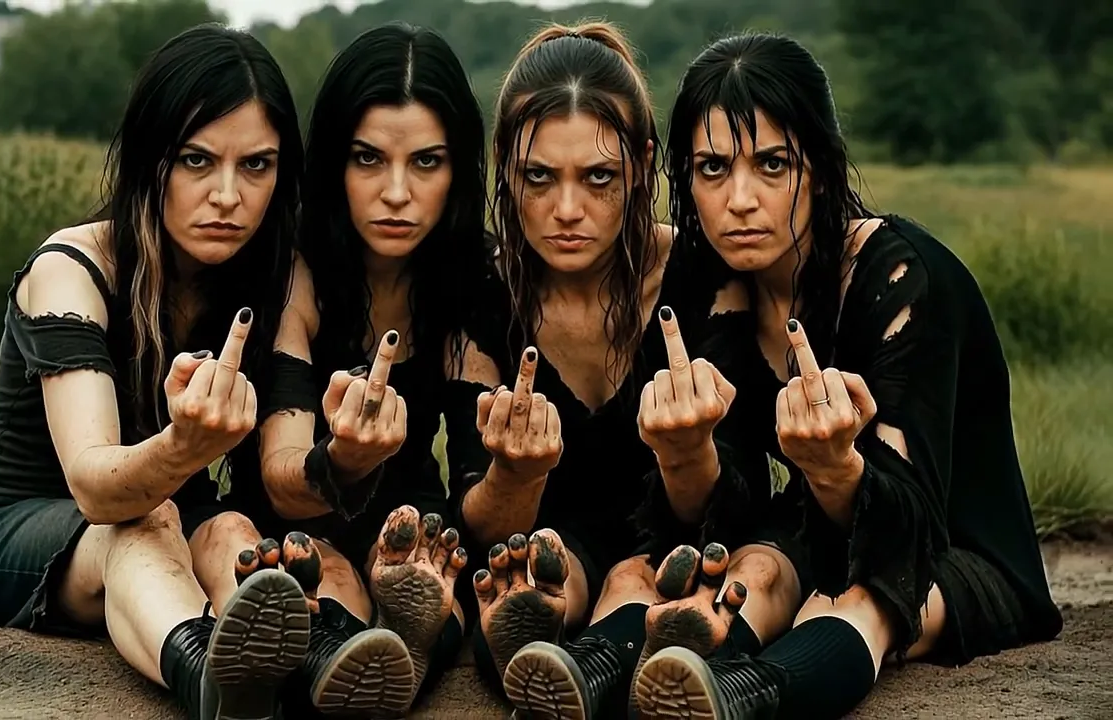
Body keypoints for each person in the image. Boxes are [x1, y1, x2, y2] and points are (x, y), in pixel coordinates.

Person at [628, 31, 1065, 719]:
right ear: (685, 177)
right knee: (750, 571)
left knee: (861, 598)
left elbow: (906, 532)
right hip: (819, 530)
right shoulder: (709, 282)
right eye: (712, 168)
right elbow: (730, 508)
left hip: (953, 552)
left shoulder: (903, 280)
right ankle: (661, 674)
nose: (739, 198)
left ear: (821, 168)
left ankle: (746, 698)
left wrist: (836, 469)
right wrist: (686, 455)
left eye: (773, 164)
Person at [0, 24, 312, 720]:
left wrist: (346, 458)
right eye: (196, 160)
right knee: (145, 521)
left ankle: (293, 670)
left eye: (257, 166)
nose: (227, 195)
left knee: (236, 537)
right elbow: (93, 486)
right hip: (11, 534)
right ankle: (214, 682)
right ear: (150, 158)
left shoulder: (276, 276)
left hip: (169, 521)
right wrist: (185, 448)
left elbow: (289, 463)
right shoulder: (72, 269)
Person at [437, 21, 766, 720]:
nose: (567, 211)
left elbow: (738, 500)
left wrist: (689, 452)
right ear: (504, 165)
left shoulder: (702, 276)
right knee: (539, 568)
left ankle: (591, 659)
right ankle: (546, 632)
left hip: (682, 550)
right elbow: (475, 518)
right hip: (545, 545)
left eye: (598, 177)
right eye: (538, 177)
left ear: (642, 164)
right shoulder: (480, 292)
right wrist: (512, 475)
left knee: (652, 572)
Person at [217, 22, 488, 718]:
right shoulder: (295, 268)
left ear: (458, 169)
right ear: (334, 162)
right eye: (369, 159)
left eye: (426, 162)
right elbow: (280, 472)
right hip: (290, 508)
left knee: (437, 572)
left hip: (409, 516)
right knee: (322, 570)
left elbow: (476, 481)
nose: (396, 192)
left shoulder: (471, 279)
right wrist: (343, 459)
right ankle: (353, 655)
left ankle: (409, 643)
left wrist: (517, 470)